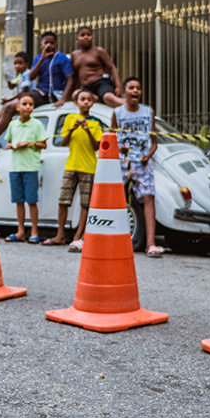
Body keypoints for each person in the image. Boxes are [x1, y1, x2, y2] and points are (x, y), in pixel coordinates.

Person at [0, 35, 72, 152]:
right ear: (41, 45)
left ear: (56, 44)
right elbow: (32, 76)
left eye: (52, 43)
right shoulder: (39, 58)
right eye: (46, 43)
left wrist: (63, 98)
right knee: (4, 108)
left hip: (51, 95)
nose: (49, 45)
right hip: (39, 92)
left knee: (9, 106)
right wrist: (42, 58)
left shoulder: (62, 58)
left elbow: (70, 79)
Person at [42, 88, 102, 250]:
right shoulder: (70, 118)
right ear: (76, 103)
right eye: (82, 99)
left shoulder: (96, 122)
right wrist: (73, 129)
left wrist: (88, 130)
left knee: (85, 204)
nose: (85, 102)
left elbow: (96, 146)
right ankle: (60, 234)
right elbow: (63, 142)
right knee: (63, 201)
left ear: (92, 103)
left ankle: (78, 237)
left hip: (89, 167)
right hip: (71, 165)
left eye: (89, 100)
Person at [112, 77, 163, 257]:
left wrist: (147, 156)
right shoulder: (117, 113)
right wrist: (121, 148)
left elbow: (154, 142)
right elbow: (112, 139)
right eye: (131, 88)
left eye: (138, 88)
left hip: (143, 162)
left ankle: (151, 243)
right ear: (124, 92)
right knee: (118, 198)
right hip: (122, 161)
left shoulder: (148, 112)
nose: (135, 91)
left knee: (148, 198)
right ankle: (114, 240)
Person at [3, 93, 47, 243]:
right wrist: (10, 145)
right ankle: (20, 231)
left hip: (30, 167)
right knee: (18, 200)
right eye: (25, 104)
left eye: (31, 104)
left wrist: (28, 143)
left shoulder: (37, 125)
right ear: (17, 107)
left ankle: (34, 231)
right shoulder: (13, 124)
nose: (28, 107)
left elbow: (44, 144)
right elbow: (8, 142)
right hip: (15, 168)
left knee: (32, 200)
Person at [71, 26, 124, 108]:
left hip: (101, 83)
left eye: (88, 35)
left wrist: (118, 86)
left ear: (92, 37)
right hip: (87, 87)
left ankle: (133, 106)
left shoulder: (98, 51)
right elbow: (74, 77)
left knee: (108, 97)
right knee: (75, 95)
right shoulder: (74, 55)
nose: (86, 37)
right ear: (77, 39)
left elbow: (112, 67)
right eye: (82, 35)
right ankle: (100, 99)